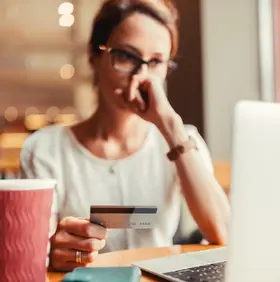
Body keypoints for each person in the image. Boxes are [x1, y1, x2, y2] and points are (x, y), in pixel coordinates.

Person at [20, 0, 230, 271]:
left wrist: (170, 125)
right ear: (94, 57)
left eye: (156, 61)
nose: (141, 77)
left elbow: (223, 233)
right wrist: (52, 250)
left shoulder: (182, 141)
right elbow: (33, 253)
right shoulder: (45, 149)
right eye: (127, 56)